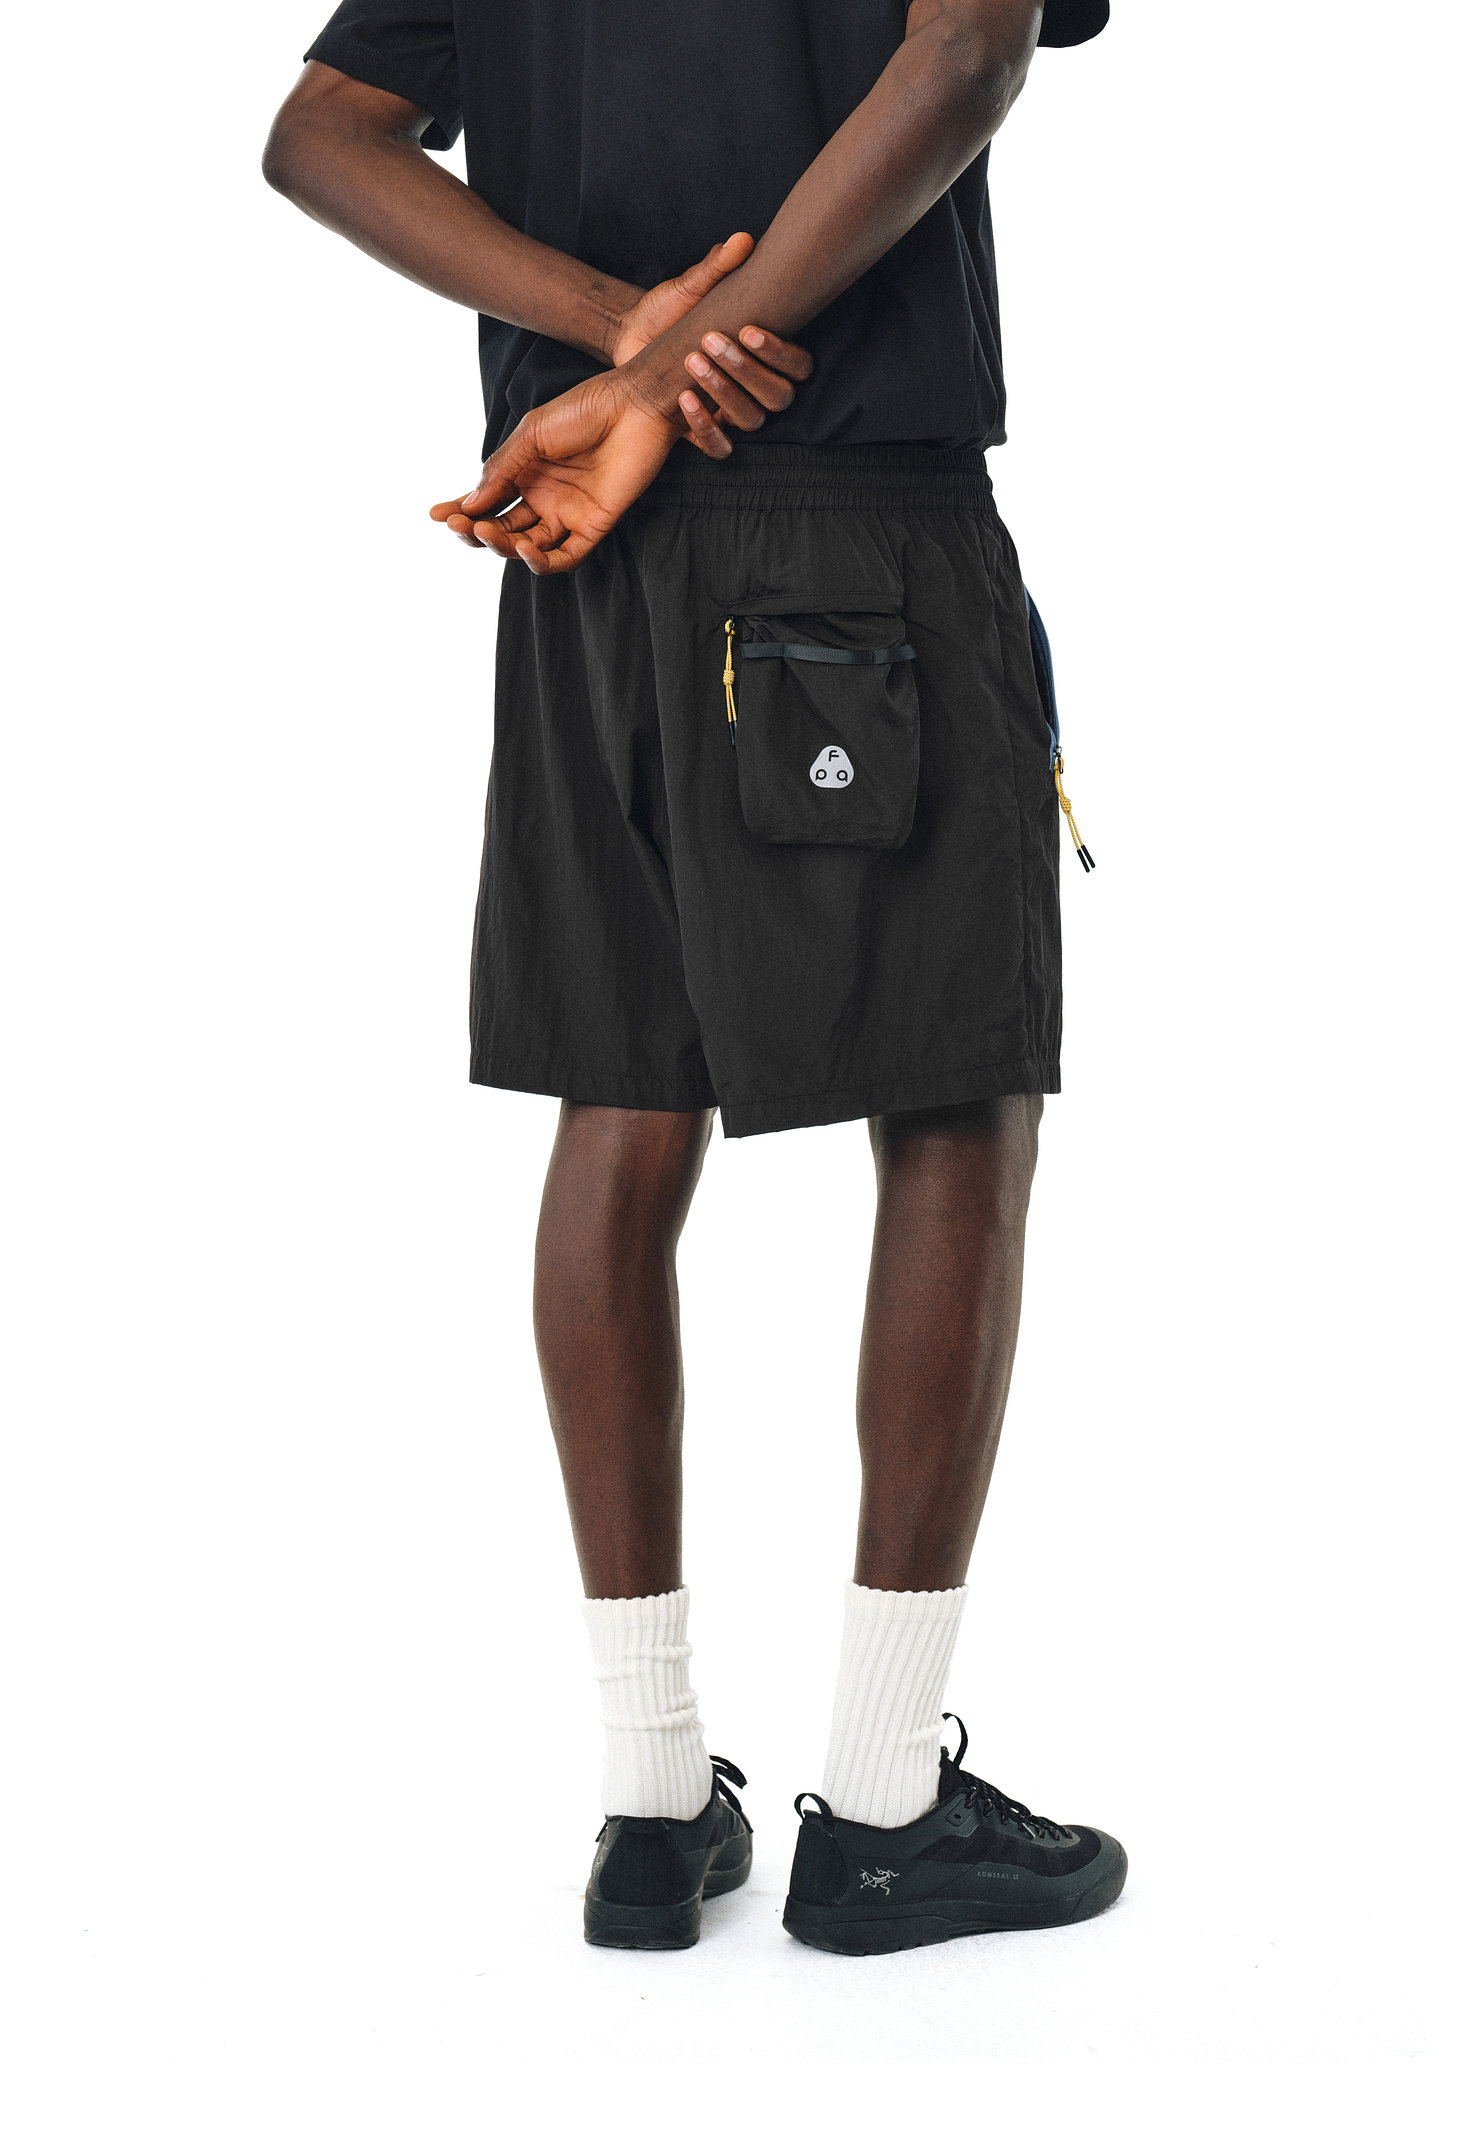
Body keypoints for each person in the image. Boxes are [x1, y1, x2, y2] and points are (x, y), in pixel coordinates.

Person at [264, 0, 1124, 1957]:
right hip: (851, 502)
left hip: (587, 537)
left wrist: (615, 340)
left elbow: (324, 133)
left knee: (626, 1092)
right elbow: (969, 49)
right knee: (956, 1092)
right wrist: (671, 357)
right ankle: (886, 1810)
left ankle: (652, 1804)